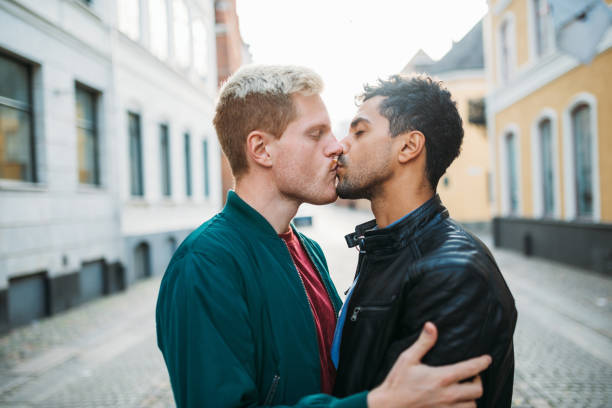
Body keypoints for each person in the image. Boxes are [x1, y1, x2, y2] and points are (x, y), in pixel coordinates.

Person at [155, 65, 491, 408]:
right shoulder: (205, 264)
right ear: (261, 149)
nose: (336, 147)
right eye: (316, 134)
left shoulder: (308, 249)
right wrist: (374, 405)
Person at [332, 74, 518, 407]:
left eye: (359, 132)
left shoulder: (452, 274)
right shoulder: (383, 246)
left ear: (408, 146)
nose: (339, 145)